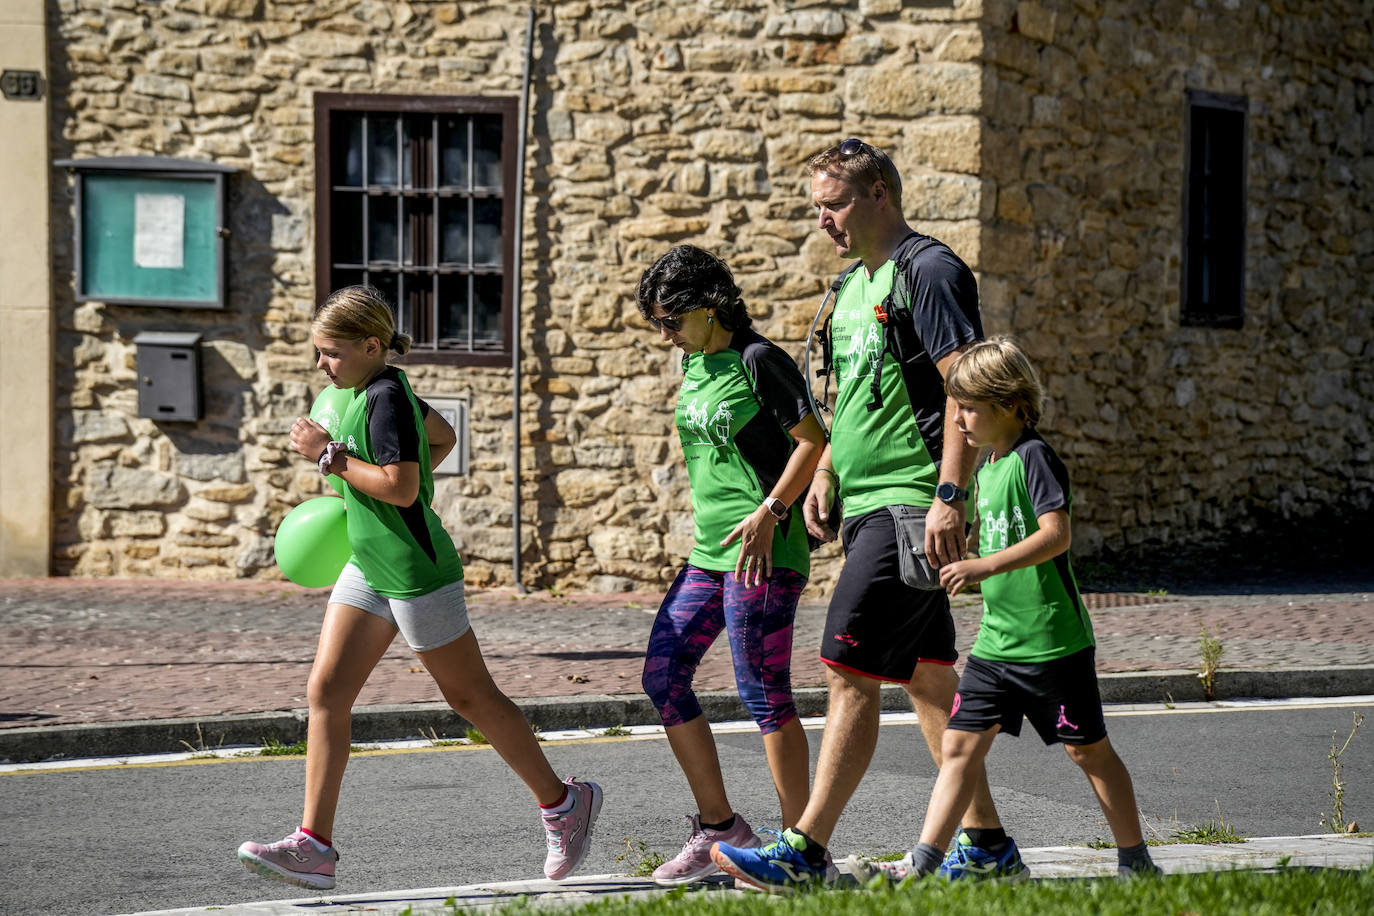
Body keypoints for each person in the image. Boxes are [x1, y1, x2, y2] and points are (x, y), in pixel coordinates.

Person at [712, 138, 1016, 893]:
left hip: (912, 501)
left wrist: (950, 494)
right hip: (868, 499)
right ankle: (986, 847)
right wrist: (826, 473)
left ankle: (803, 852)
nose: (825, 219)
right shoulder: (851, 286)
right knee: (927, 680)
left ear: (880, 192)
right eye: (818, 206)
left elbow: (963, 390)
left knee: (847, 669)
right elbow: (849, 395)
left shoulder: (930, 270)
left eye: (836, 203)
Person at [237, 286, 601, 890]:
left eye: (330, 352)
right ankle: (314, 845)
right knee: (326, 690)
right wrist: (348, 465)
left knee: (470, 699)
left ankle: (564, 804)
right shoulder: (362, 390)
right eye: (317, 352)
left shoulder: (383, 397)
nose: (320, 365)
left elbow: (402, 488)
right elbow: (442, 438)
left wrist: (327, 456)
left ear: (371, 344)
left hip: (414, 571)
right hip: (367, 562)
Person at [847, 337, 1161, 882]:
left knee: (1088, 754)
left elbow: (1056, 536)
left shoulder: (1033, 458)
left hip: (1052, 644)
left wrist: (982, 567)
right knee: (960, 747)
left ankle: (1136, 861)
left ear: (1010, 403)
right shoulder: (986, 469)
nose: (959, 420)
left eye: (969, 407)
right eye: (956, 405)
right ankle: (920, 865)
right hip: (996, 646)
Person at [634, 245, 826, 886]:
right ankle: (721, 828)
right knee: (663, 677)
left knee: (762, 694)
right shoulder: (696, 362)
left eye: (671, 320)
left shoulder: (757, 360)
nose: (666, 335)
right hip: (709, 553)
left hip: (763, 549)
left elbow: (811, 441)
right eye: (657, 323)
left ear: (711, 306)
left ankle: (802, 852)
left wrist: (772, 512)